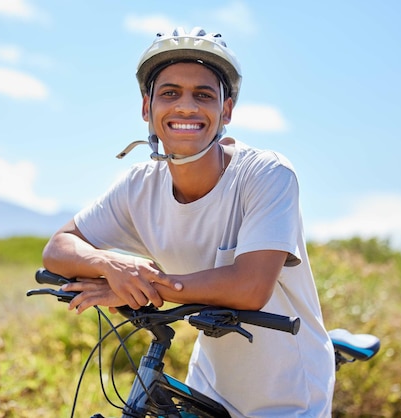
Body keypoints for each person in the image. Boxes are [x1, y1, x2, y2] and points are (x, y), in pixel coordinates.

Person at [42, 27, 335, 417]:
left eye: (203, 95)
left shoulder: (267, 175)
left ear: (225, 111)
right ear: (147, 108)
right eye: (169, 93)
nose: (185, 107)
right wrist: (112, 266)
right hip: (210, 383)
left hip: (290, 392)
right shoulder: (138, 186)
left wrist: (144, 288)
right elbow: (59, 248)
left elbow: (250, 287)